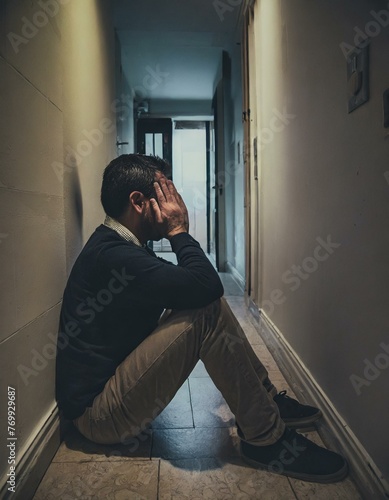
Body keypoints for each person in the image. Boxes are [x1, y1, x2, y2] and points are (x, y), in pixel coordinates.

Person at [56, 154, 348, 483]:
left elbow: (197, 287)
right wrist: (179, 230)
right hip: (99, 416)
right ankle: (266, 440)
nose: (174, 203)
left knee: (204, 303)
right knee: (206, 309)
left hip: (110, 393)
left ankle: (267, 403)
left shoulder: (124, 246)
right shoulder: (114, 256)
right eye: (165, 194)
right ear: (138, 202)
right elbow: (207, 285)